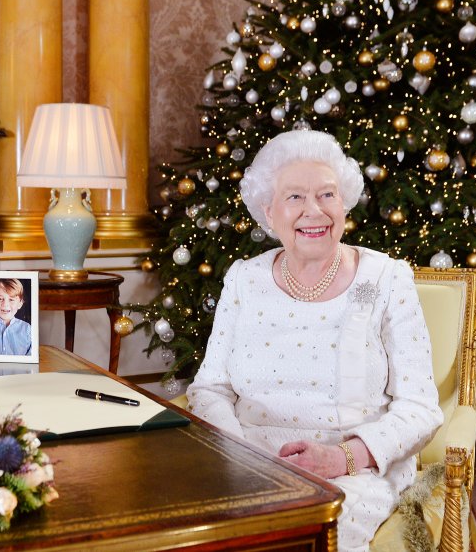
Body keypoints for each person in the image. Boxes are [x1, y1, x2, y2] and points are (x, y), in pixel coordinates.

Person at [185, 130, 443, 551]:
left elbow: (420, 407)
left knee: (298, 532)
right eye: (295, 198)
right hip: (247, 461)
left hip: (353, 471)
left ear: (344, 204)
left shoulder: (384, 279)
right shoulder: (244, 280)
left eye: (326, 195)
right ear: (268, 212)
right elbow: (211, 388)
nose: (314, 212)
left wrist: (342, 458)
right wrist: (239, 457)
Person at [0, 279, 32, 356]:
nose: (5, 304)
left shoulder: (27, 329)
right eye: (0, 299)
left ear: (20, 303)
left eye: (11, 299)